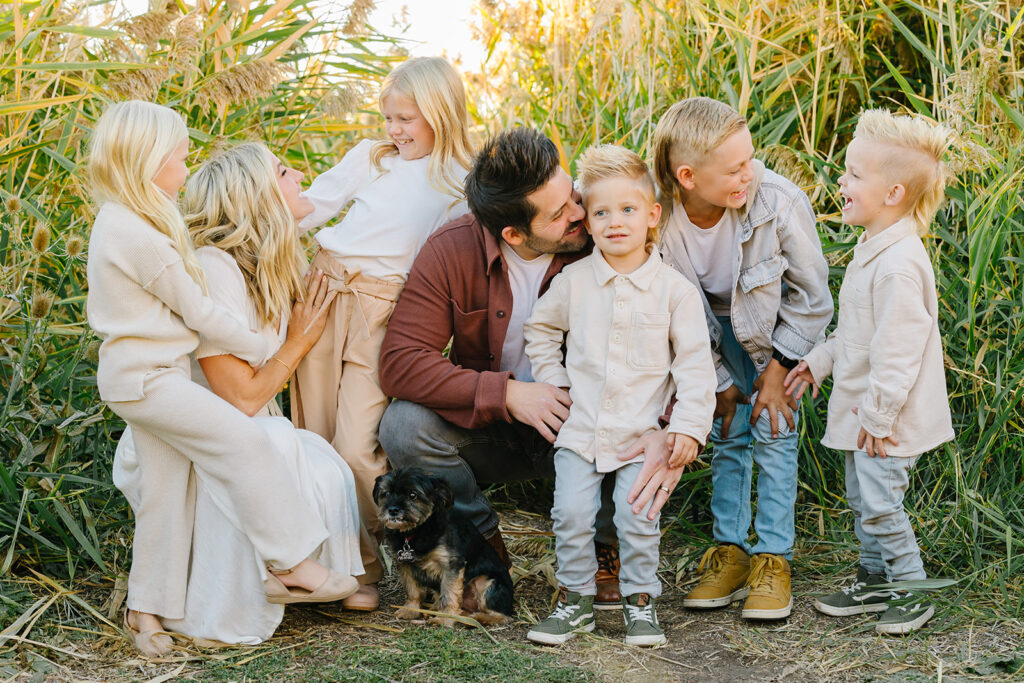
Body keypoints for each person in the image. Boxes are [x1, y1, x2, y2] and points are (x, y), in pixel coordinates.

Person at [86, 102, 358, 657]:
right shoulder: (133, 232)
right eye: (179, 158)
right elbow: (200, 314)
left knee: (164, 499)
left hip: (152, 379)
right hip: (147, 382)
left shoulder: (135, 222)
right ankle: (293, 562)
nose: (187, 171)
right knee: (243, 443)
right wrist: (269, 345)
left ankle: (146, 614)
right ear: (148, 160)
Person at [378, 128, 685, 610]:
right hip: (496, 430)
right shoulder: (451, 250)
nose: (581, 213)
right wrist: (507, 395)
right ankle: (480, 544)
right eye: (560, 213)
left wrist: (667, 427)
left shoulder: (609, 236)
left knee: (634, 428)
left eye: (572, 196)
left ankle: (604, 547)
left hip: (591, 425)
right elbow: (400, 363)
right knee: (403, 425)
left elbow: (678, 342)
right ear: (514, 234)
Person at [291, 57, 474, 606]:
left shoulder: (461, 181)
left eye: (406, 119)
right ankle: (339, 568)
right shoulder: (371, 157)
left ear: (441, 113)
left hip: (383, 309)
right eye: (388, 118)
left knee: (355, 445)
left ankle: (383, 560)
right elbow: (309, 208)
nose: (394, 131)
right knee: (314, 435)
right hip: (324, 288)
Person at [523, 145, 716, 646]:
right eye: (601, 212)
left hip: (640, 435)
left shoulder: (674, 292)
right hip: (580, 430)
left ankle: (641, 603)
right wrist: (555, 383)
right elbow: (540, 331)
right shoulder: (574, 281)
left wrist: (688, 429)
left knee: (637, 516)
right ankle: (575, 602)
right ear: (587, 220)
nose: (615, 223)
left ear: (652, 215)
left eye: (628, 210)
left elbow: (695, 369)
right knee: (569, 514)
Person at [652, 97, 833, 619]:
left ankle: (773, 558)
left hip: (777, 334)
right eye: (734, 168)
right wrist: (713, 380)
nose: (748, 174)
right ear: (687, 176)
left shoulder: (777, 200)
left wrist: (777, 371)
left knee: (774, 432)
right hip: (704, 338)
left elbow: (813, 297)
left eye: (750, 159)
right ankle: (728, 552)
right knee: (728, 432)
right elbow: (664, 309)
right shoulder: (657, 217)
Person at [785, 110, 953, 635]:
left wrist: (879, 417)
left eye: (855, 174)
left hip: (888, 421)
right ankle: (875, 577)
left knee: (881, 504)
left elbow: (899, 350)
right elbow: (858, 334)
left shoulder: (899, 263)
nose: (842, 180)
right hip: (869, 415)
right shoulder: (872, 250)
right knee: (863, 500)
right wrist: (819, 361)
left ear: (894, 193)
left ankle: (910, 588)